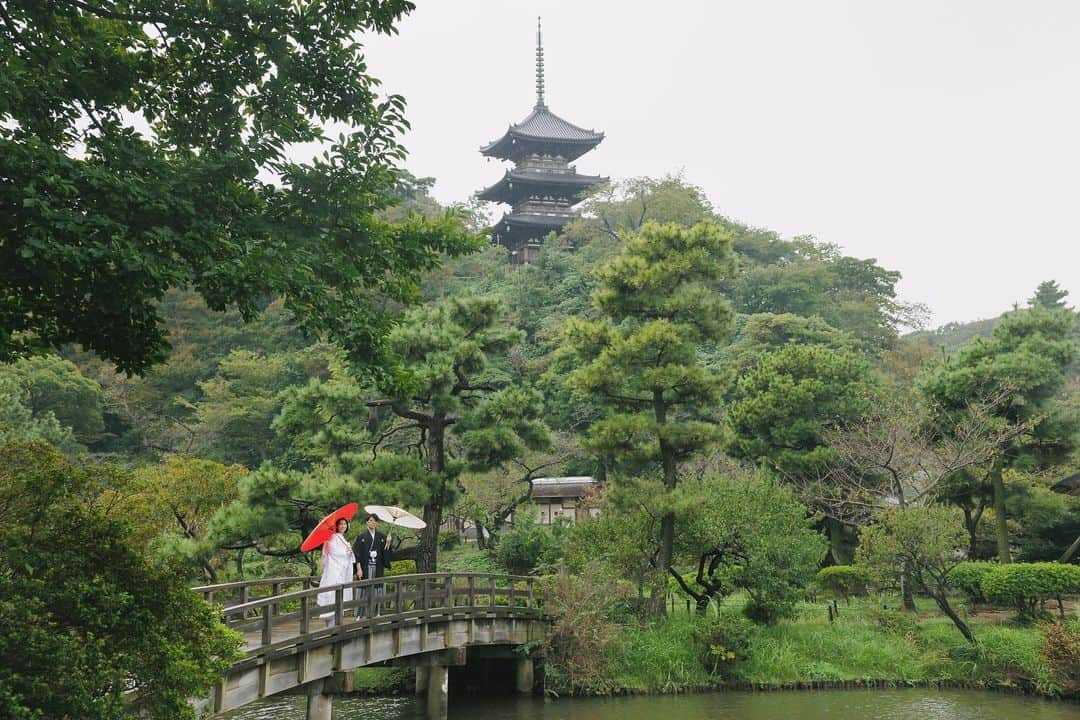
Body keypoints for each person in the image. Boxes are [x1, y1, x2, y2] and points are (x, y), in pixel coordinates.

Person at [316, 518, 355, 628]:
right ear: (336, 526)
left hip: (340, 571)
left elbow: (346, 554)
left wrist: (349, 552)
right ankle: (331, 625)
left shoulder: (340, 537)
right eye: (341, 524)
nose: (343, 526)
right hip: (334, 572)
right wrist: (347, 552)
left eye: (345, 524)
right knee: (332, 595)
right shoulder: (333, 537)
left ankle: (334, 624)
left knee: (338, 596)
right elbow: (334, 552)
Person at [354, 513, 392, 618]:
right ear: (367, 522)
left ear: (377, 523)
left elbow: (386, 553)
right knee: (363, 591)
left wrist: (388, 543)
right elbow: (357, 554)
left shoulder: (382, 537)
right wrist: (359, 569)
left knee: (377, 590)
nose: (372, 522)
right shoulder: (361, 537)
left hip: (377, 567)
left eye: (374, 520)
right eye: (370, 520)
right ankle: (359, 615)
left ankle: (376, 612)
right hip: (365, 568)